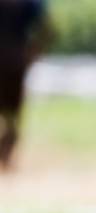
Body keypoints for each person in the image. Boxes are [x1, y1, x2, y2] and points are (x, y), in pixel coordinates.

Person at [0, 0, 50, 168]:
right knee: (13, 116)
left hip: (15, 62)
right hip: (17, 60)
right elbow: (47, 29)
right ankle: (6, 154)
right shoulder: (29, 4)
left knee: (12, 117)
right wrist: (33, 52)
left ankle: (6, 153)